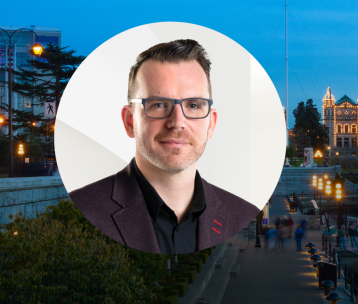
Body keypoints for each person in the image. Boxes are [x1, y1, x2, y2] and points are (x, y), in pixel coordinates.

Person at [69, 39, 259, 255]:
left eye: (194, 105)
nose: (177, 122)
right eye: (159, 105)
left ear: (211, 124)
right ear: (130, 121)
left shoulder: (242, 214)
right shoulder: (82, 210)